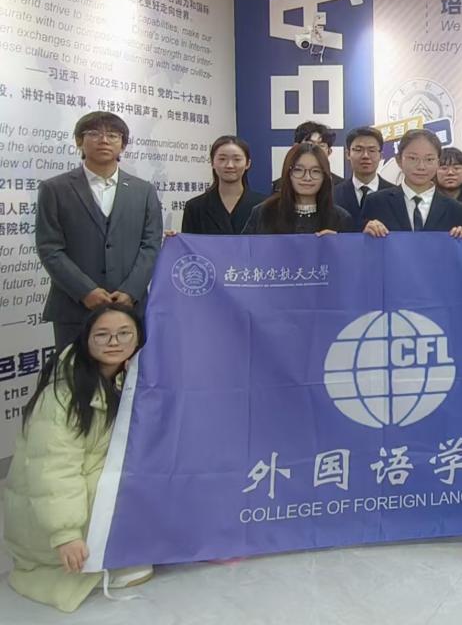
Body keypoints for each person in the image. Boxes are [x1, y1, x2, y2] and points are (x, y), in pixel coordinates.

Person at [3, 305, 152, 611]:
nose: (114, 342)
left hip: (87, 491)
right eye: (102, 335)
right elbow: (52, 470)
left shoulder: (127, 379)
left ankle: (116, 546)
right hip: (49, 517)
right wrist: (65, 535)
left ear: (138, 339)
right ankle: (85, 559)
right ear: (86, 339)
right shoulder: (63, 395)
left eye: (124, 333)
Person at [35, 112, 163, 351]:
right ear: (79, 141)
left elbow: (151, 244)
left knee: (130, 372)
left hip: (130, 308)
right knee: (74, 373)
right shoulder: (54, 189)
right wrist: (85, 291)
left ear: (122, 145)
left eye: (113, 135)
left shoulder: (144, 191)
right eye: (94, 133)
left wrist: (131, 291)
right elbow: (49, 248)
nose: (104, 140)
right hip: (74, 308)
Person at [360, 130, 462, 237]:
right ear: (399, 160)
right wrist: (366, 233)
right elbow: (362, 244)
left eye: (429, 159)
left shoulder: (455, 209)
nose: (421, 166)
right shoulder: (376, 202)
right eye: (413, 158)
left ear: (438, 162)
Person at [244, 143, 356, 235]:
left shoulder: (340, 218)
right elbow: (244, 251)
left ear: (325, 176)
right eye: (298, 170)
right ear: (288, 173)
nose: (307, 178)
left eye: (315, 171)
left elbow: (350, 254)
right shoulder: (263, 213)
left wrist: (338, 245)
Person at [180, 136, 266, 235]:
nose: (229, 165)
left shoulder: (265, 205)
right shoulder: (195, 207)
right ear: (212, 162)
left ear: (247, 164)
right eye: (222, 159)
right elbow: (188, 243)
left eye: (237, 159)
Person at [333, 126, 391, 226]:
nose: (365, 156)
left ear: (381, 156)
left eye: (371, 150)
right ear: (348, 154)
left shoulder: (395, 195)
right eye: (358, 150)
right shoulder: (333, 195)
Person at [272, 121, 343, 191]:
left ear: (329, 152)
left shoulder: (340, 186)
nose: (315, 149)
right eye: (309, 144)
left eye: (321, 145)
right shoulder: (280, 186)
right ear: (295, 148)